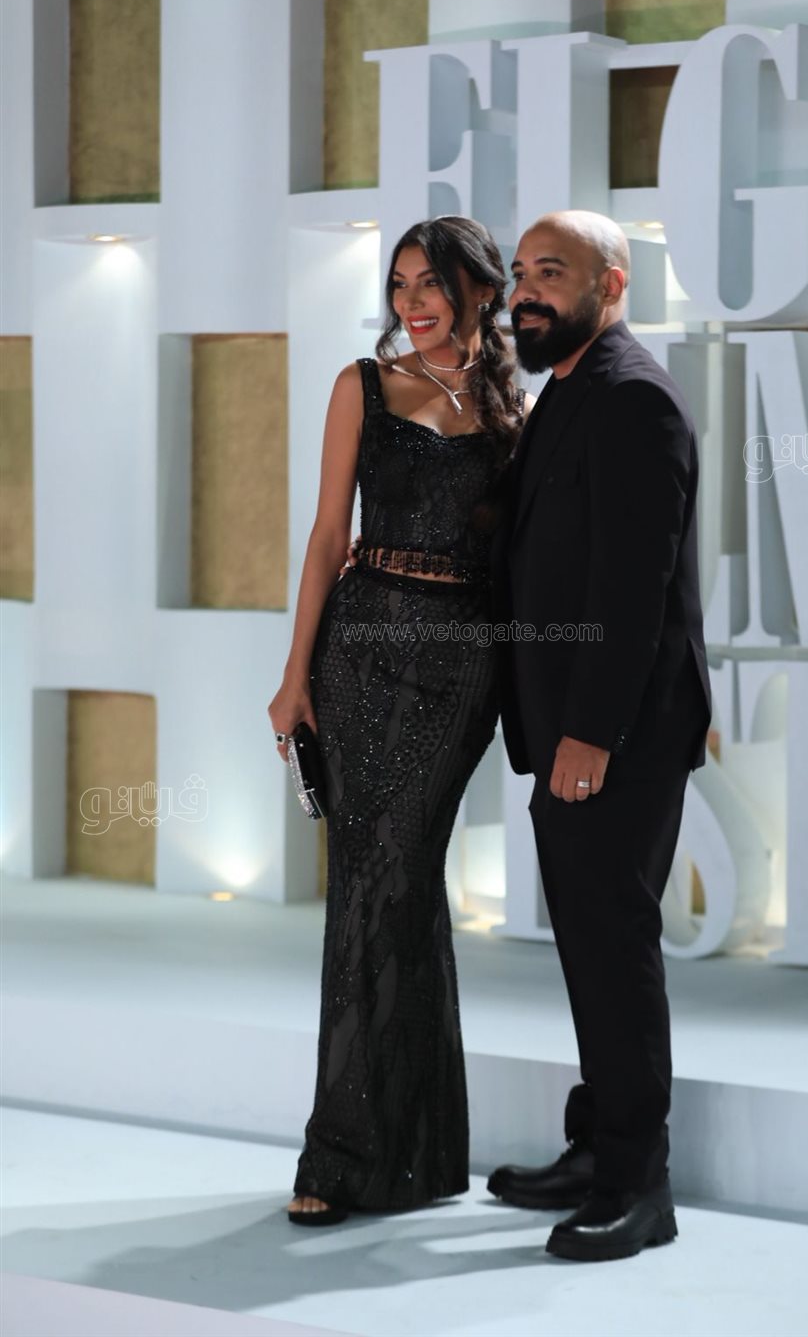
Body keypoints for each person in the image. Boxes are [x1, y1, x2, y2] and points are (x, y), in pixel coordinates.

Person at [267, 216, 530, 1225]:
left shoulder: (513, 409)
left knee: (403, 879)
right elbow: (326, 535)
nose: (411, 303)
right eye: (400, 284)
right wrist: (294, 675)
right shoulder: (362, 387)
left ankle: (408, 1148)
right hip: (361, 649)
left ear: (480, 293)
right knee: (369, 887)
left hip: (461, 664)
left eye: (431, 284)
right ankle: (348, 1154)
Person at [487, 210, 712, 1262]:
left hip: (616, 737)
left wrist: (588, 734)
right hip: (574, 730)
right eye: (520, 272)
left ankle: (638, 1185)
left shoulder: (632, 398)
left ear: (610, 285)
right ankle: (597, 1147)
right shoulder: (568, 390)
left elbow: (633, 590)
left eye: (553, 271)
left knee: (614, 950)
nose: (527, 291)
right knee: (588, 944)